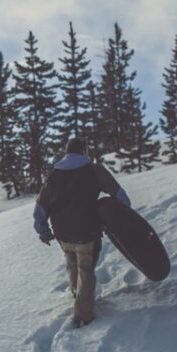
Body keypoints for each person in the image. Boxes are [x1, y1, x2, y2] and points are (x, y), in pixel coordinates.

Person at [33, 138, 130, 328]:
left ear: (67, 153)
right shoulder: (94, 170)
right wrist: (121, 215)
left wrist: (43, 231)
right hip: (87, 232)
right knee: (86, 271)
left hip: (62, 234)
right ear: (84, 151)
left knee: (72, 263)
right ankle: (83, 315)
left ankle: (77, 294)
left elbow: (40, 208)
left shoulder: (53, 175)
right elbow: (120, 196)